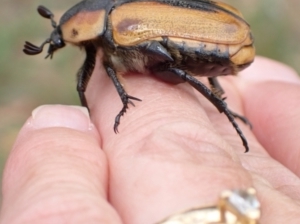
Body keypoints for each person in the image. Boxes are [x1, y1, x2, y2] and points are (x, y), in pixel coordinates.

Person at [1, 56, 300, 223]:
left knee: (182, 75)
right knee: (180, 74)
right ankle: (223, 106)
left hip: (198, 44)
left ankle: (223, 108)